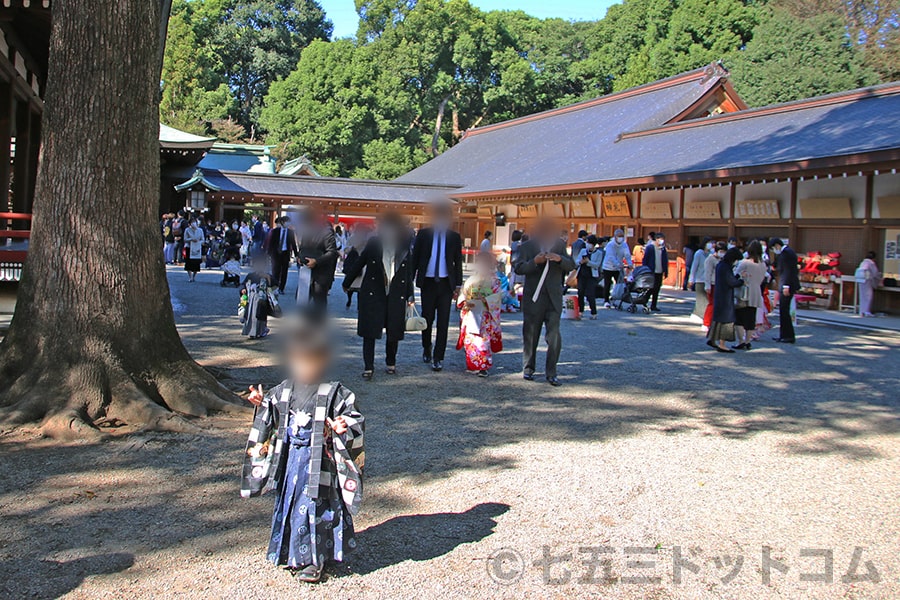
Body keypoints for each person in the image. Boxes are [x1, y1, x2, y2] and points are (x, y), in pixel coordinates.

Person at [241, 311, 364, 584]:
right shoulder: (285, 389)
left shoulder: (335, 392)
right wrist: (261, 402)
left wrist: (343, 425)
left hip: (320, 461)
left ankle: (314, 560)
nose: (303, 368)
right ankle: (291, 551)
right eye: (298, 362)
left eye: (309, 361)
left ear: (322, 361)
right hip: (292, 461)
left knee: (315, 509)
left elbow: (354, 419)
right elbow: (271, 411)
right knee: (292, 504)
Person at [342, 213, 414, 380]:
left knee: (393, 329)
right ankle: (369, 366)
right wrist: (347, 282)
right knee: (370, 331)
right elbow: (360, 263)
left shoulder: (404, 245)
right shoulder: (374, 243)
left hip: (395, 292)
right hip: (374, 291)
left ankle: (391, 362)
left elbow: (408, 272)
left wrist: (410, 295)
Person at [514, 217, 576, 386]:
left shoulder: (559, 246)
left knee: (554, 336)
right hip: (534, 297)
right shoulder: (527, 247)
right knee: (531, 334)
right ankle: (528, 368)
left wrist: (560, 259)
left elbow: (571, 265)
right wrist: (535, 262)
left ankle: (551, 372)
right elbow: (519, 268)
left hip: (553, 298)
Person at [412, 200, 463, 372]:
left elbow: (458, 262)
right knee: (427, 319)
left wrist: (458, 285)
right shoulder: (424, 234)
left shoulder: (454, 237)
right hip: (427, 282)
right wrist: (409, 284)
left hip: (445, 283)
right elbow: (415, 259)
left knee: (443, 322)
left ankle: (438, 356)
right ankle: (426, 347)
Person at [457, 252, 503, 376]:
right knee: (471, 339)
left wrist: (485, 300)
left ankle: (483, 366)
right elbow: (463, 293)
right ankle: (472, 364)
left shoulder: (495, 280)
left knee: (483, 341)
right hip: (471, 312)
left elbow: (497, 297)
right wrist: (465, 302)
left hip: (485, 314)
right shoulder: (471, 279)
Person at [294, 207, 339, 311]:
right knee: (301, 302)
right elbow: (302, 249)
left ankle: (317, 325)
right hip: (306, 273)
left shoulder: (326, 232)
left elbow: (332, 252)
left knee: (319, 304)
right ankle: (305, 324)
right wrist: (299, 257)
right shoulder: (307, 232)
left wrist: (317, 261)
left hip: (321, 274)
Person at [707, 247, 744, 353]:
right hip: (726, 296)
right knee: (726, 320)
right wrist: (741, 280)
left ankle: (712, 339)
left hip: (719, 294)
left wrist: (736, 276)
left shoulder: (720, 265)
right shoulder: (726, 267)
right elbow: (731, 282)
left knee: (717, 319)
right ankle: (722, 344)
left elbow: (729, 278)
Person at [733, 241, 768, 350]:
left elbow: (735, 274)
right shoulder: (763, 264)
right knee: (751, 318)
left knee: (739, 318)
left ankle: (741, 341)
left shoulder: (745, 263)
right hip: (756, 292)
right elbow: (762, 279)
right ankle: (748, 341)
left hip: (744, 292)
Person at [770, 238, 799, 343]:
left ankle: (787, 336)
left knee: (784, 311)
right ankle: (784, 335)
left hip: (787, 284)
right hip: (788, 284)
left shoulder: (786, 253)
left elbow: (787, 270)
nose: (774, 250)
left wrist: (786, 285)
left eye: (773, 248)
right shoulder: (788, 252)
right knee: (784, 311)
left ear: (777, 245)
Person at [240, 258, 274, 339]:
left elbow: (274, 286)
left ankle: (262, 330)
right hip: (251, 298)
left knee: (261, 316)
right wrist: (243, 289)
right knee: (250, 316)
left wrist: (268, 279)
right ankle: (250, 331)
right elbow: (243, 284)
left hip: (262, 299)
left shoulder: (267, 275)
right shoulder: (250, 276)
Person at [601, 229, 633, 307]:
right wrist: (618, 264)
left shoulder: (624, 244)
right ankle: (606, 300)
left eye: (622, 236)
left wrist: (630, 263)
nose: (620, 238)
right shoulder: (610, 245)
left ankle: (617, 298)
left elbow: (627, 255)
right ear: (615, 236)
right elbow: (611, 257)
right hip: (608, 267)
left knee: (620, 283)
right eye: (619, 236)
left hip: (618, 268)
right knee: (607, 284)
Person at [268, 217, 297, 295]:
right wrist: (269, 253)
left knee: (284, 272)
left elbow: (293, 244)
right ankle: (275, 287)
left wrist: (296, 255)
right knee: (275, 271)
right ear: (282, 222)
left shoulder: (291, 232)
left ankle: (281, 288)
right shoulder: (275, 231)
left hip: (285, 253)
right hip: (276, 253)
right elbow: (271, 243)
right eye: (286, 222)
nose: (288, 224)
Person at [576, 234, 603, 319]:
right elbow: (577, 261)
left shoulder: (599, 253)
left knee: (590, 294)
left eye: (589, 243)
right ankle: (581, 311)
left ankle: (593, 313)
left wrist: (588, 262)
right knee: (580, 292)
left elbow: (597, 265)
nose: (587, 244)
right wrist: (581, 262)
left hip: (591, 276)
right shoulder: (583, 251)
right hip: (581, 274)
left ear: (593, 244)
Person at [341, 227, 368, 309]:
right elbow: (345, 249)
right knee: (353, 285)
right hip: (354, 262)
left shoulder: (367, 239)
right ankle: (350, 300)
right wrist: (352, 248)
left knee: (359, 286)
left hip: (361, 263)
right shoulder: (353, 238)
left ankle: (357, 304)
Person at [642, 232, 668, 312]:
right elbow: (645, 259)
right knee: (651, 287)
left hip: (659, 271)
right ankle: (645, 299)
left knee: (657, 288)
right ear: (656, 239)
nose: (662, 241)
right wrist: (645, 269)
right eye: (660, 239)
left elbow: (665, 261)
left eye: (663, 239)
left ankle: (654, 305)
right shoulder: (650, 248)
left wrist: (666, 271)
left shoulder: (663, 249)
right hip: (651, 270)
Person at [703, 242, 727, 330]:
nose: (722, 253)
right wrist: (707, 285)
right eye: (721, 251)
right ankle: (706, 323)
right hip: (713, 284)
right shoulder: (710, 259)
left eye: (724, 251)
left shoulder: (723, 260)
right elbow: (707, 273)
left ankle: (715, 322)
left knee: (719, 304)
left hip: (721, 284)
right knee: (712, 304)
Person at [689, 238, 711, 322]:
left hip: (708, 280)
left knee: (707, 300)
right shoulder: (698, 253)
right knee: (701, 299)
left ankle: (704, 315)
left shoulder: (710, 254)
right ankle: (699, 315)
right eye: (708, 243)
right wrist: (691, 279)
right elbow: (694, 267)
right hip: (700, 279)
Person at [856, 251, 881, 317]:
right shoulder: (871, 263)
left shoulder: (863, 262)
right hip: (867, 280)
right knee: (868, 296)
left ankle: (862, 311)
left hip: (860, 280)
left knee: (862, 296)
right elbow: (875, 273)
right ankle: (867, 311)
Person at [183, 217, 204, 282]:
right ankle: (190, 276)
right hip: (189, 247)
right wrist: (191, 239)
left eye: (194, 222)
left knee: (196, 263)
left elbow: (203, 239)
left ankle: (194, 276)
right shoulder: (187, 230)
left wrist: (198, 242)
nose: (193, 223)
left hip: (197, 247)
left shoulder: (200, 230)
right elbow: (185, 239)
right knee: (188, 262)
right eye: (192, 222)